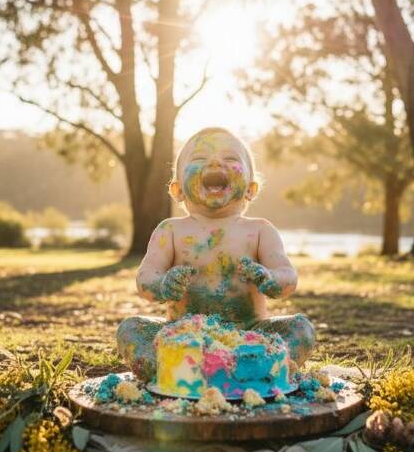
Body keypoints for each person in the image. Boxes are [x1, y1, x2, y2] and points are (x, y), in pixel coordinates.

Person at [116, 127, 315, 381]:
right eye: (199, 159)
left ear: (251, 189)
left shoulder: (260, 231)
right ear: (177, 190)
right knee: (131, 329)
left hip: (250, 336)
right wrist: (163, 284)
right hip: (183, 337)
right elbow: (146, 278)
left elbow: (288, 276)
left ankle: (241, 370)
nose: (215, 161)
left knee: (301, 328)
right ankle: (176, 370)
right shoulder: (171, 230)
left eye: (231, 159)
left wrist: (270, 279)